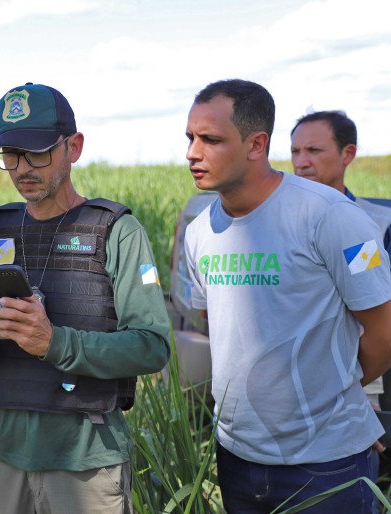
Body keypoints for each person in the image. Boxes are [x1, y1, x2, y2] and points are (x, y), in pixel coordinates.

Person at [0, 82, 170, 513]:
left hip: (85, 460)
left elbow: (152, 347)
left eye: (38, 152)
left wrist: (54, 343)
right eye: (10, 155)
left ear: (75, 146)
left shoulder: (117, 231)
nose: (22, 168)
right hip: (2, 453)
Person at [183, 79, 391, 512]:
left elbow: (383, 328)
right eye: (190, 138)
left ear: (256, 144)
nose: (192, 153)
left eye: (211, 140)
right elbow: (213, 324)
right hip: (236, 458)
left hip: (328, 464)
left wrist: (336, 395)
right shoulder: (200, 230)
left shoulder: (334, 217)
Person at [291, 110, 391, 416]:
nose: (301, 161)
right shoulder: (275, 221)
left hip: (358, 385)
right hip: (287, 383)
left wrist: (355, 388)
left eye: (314, 150)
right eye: (295, 151)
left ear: (348, 154)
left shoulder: (372, 224)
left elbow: (374, 312)